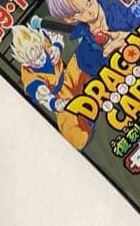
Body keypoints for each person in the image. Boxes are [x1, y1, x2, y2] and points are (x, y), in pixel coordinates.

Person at [9, 18, 92, 149]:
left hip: (68, 76)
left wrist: (56, 47)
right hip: (60, 98)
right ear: (26, 62)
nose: (40, 59)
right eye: (34, 60)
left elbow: (56, 37)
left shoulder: (41, 38)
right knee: (75, 136)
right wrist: (56, 104)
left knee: (85, 55)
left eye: (39, 53)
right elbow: (43, 96)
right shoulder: (29, 78)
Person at [44, 0, 139, 78]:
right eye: (79, 12)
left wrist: (132, 38)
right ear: (69, 18)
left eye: (89, 1)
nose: (89, 11)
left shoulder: (124, 6)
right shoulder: (84, 53)